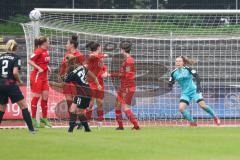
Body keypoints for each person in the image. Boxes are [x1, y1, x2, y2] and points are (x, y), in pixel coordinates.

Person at [50, 54, 102, 132]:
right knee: (79, 111)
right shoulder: (81, 67)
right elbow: (94, 77)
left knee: (73, 110)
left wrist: (51, 83)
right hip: (87, 91)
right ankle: (87, 129)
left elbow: (61, 85)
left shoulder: (71, 73)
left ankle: (70, 130)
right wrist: (98, 85)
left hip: (82, 93)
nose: (65, 62)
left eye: (66, 61)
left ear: (68, 62)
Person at [168, 56, 221, 126]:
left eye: (179, 61)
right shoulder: (173, 73)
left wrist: (198, 86)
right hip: (185, 93)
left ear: (183, 63)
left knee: (203, 106)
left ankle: (215, 118)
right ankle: (193, 122)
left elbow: (197, 76)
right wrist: (170, 84)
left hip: (194, 91)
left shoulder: (188, 69)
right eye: (176, 61)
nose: (178, 62)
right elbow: (171, 82)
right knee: (181, 108)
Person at [0, 39, 35, 133]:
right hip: (10, 83)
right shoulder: (16, 57)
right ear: (15, 48)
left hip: (1, 84)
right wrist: (19, 81)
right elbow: (15, 72)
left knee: (2, 107)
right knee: (23, 105)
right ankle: (31, 129)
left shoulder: (1, 57)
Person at [110, 41, 140, 130]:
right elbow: (124, 73)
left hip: (127, 87)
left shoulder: (129, 60)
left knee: (125, 107)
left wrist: (111, 75)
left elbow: (127, 75)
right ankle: (120, 126)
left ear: (122, 50)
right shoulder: (127, 60)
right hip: (123, 86)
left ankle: (136, 125)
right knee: (117, 105)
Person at [28, 36, 51, 128]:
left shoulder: (46, 51)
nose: (49, 42)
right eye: (48, 41)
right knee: (36, 97)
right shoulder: (38, 51)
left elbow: (43, 62)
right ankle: (33, 119)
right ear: (44, 43)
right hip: (37, 76)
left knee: (45, 97)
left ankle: (44, 119)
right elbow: (29, 61)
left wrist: (47, 67)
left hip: (44, 77)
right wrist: (38, 68)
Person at [59, 35, 85, 113]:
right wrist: (61, 75)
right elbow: (63, 66)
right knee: (68, 99)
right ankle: (72, 122)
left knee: (77, 100)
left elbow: (81, 68)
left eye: (67, 44)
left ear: (72, 45)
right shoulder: (66, 54)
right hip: (66, 80)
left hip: (75, 80)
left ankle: (80, 118)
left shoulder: (79, 55)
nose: (65, 45)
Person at [85, 41, 108, 128]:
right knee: (90, 103)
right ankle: (86, 122)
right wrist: (103, 55)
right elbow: (93, 56)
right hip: (91, 82)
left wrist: (105, 72)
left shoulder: (99, 58)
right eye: (100, 47)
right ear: (98, 48)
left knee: (100, 103)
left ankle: (100, 122)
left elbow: (103, 67)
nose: (101, 48)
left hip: (100, 82)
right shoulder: (92, 56)